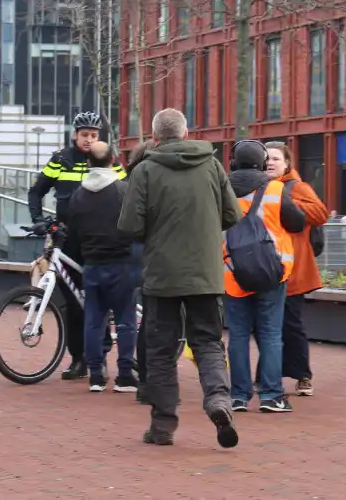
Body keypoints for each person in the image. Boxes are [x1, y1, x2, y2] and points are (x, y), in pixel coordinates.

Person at [118, 108, 241, 448]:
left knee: (159, 349)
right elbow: (232, 213)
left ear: (155, 138)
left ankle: (162, 426)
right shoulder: (212, 165)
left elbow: (129, 226)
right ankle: (218, 400)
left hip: (162, 276)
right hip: (205, 274)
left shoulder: (144, 171)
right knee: (208, 342)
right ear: (187, 133)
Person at [27, 111, 125, 381]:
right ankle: (78, 358)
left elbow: (126, 191)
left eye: (94, 136)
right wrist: (39, 219)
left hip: (97, 238)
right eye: (84, 135)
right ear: (75, 135)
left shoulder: (106, 160)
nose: (89, 140)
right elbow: (37, 191)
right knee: (72, 301)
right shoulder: (61, 159)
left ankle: (100, 358)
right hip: (66, 238)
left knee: (97, 298)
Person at [224, 140, 306, 413]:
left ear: (233, 162)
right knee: (271, 334)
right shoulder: (275, 188)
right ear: (261, 162)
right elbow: (296, 222)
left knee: (237, 335)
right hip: (272, 271)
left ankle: (238, 396)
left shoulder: (221, 188)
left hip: (233, 273)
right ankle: (271, 396)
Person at [65, 141, 138, 394]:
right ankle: (125, 375)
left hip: (92, 265)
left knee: (94, 321)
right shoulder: (123, 191)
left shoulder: (78, 195)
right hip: (120, 264)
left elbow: (73, 233)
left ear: (88, 163)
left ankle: (96, 375)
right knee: (126, 320)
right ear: (113, 161)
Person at [263, 142, 327, 397]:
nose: (270, 163)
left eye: (276, 159)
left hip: (293, 270)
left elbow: (320, 213)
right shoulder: (255, 187)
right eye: (266, 158)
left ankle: (302, 375)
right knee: (266, 327)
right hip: (263, 269)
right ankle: (269, 374)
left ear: (287, 163)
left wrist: (286, 204)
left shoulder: (297, 187)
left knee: (291, 325)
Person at [126, 140, 157, 404]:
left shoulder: (131, 180)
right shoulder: (160, 179)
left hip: (136, 251)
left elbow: (128, 223)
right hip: (160, 253)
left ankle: (146, 383)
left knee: (147, 318)